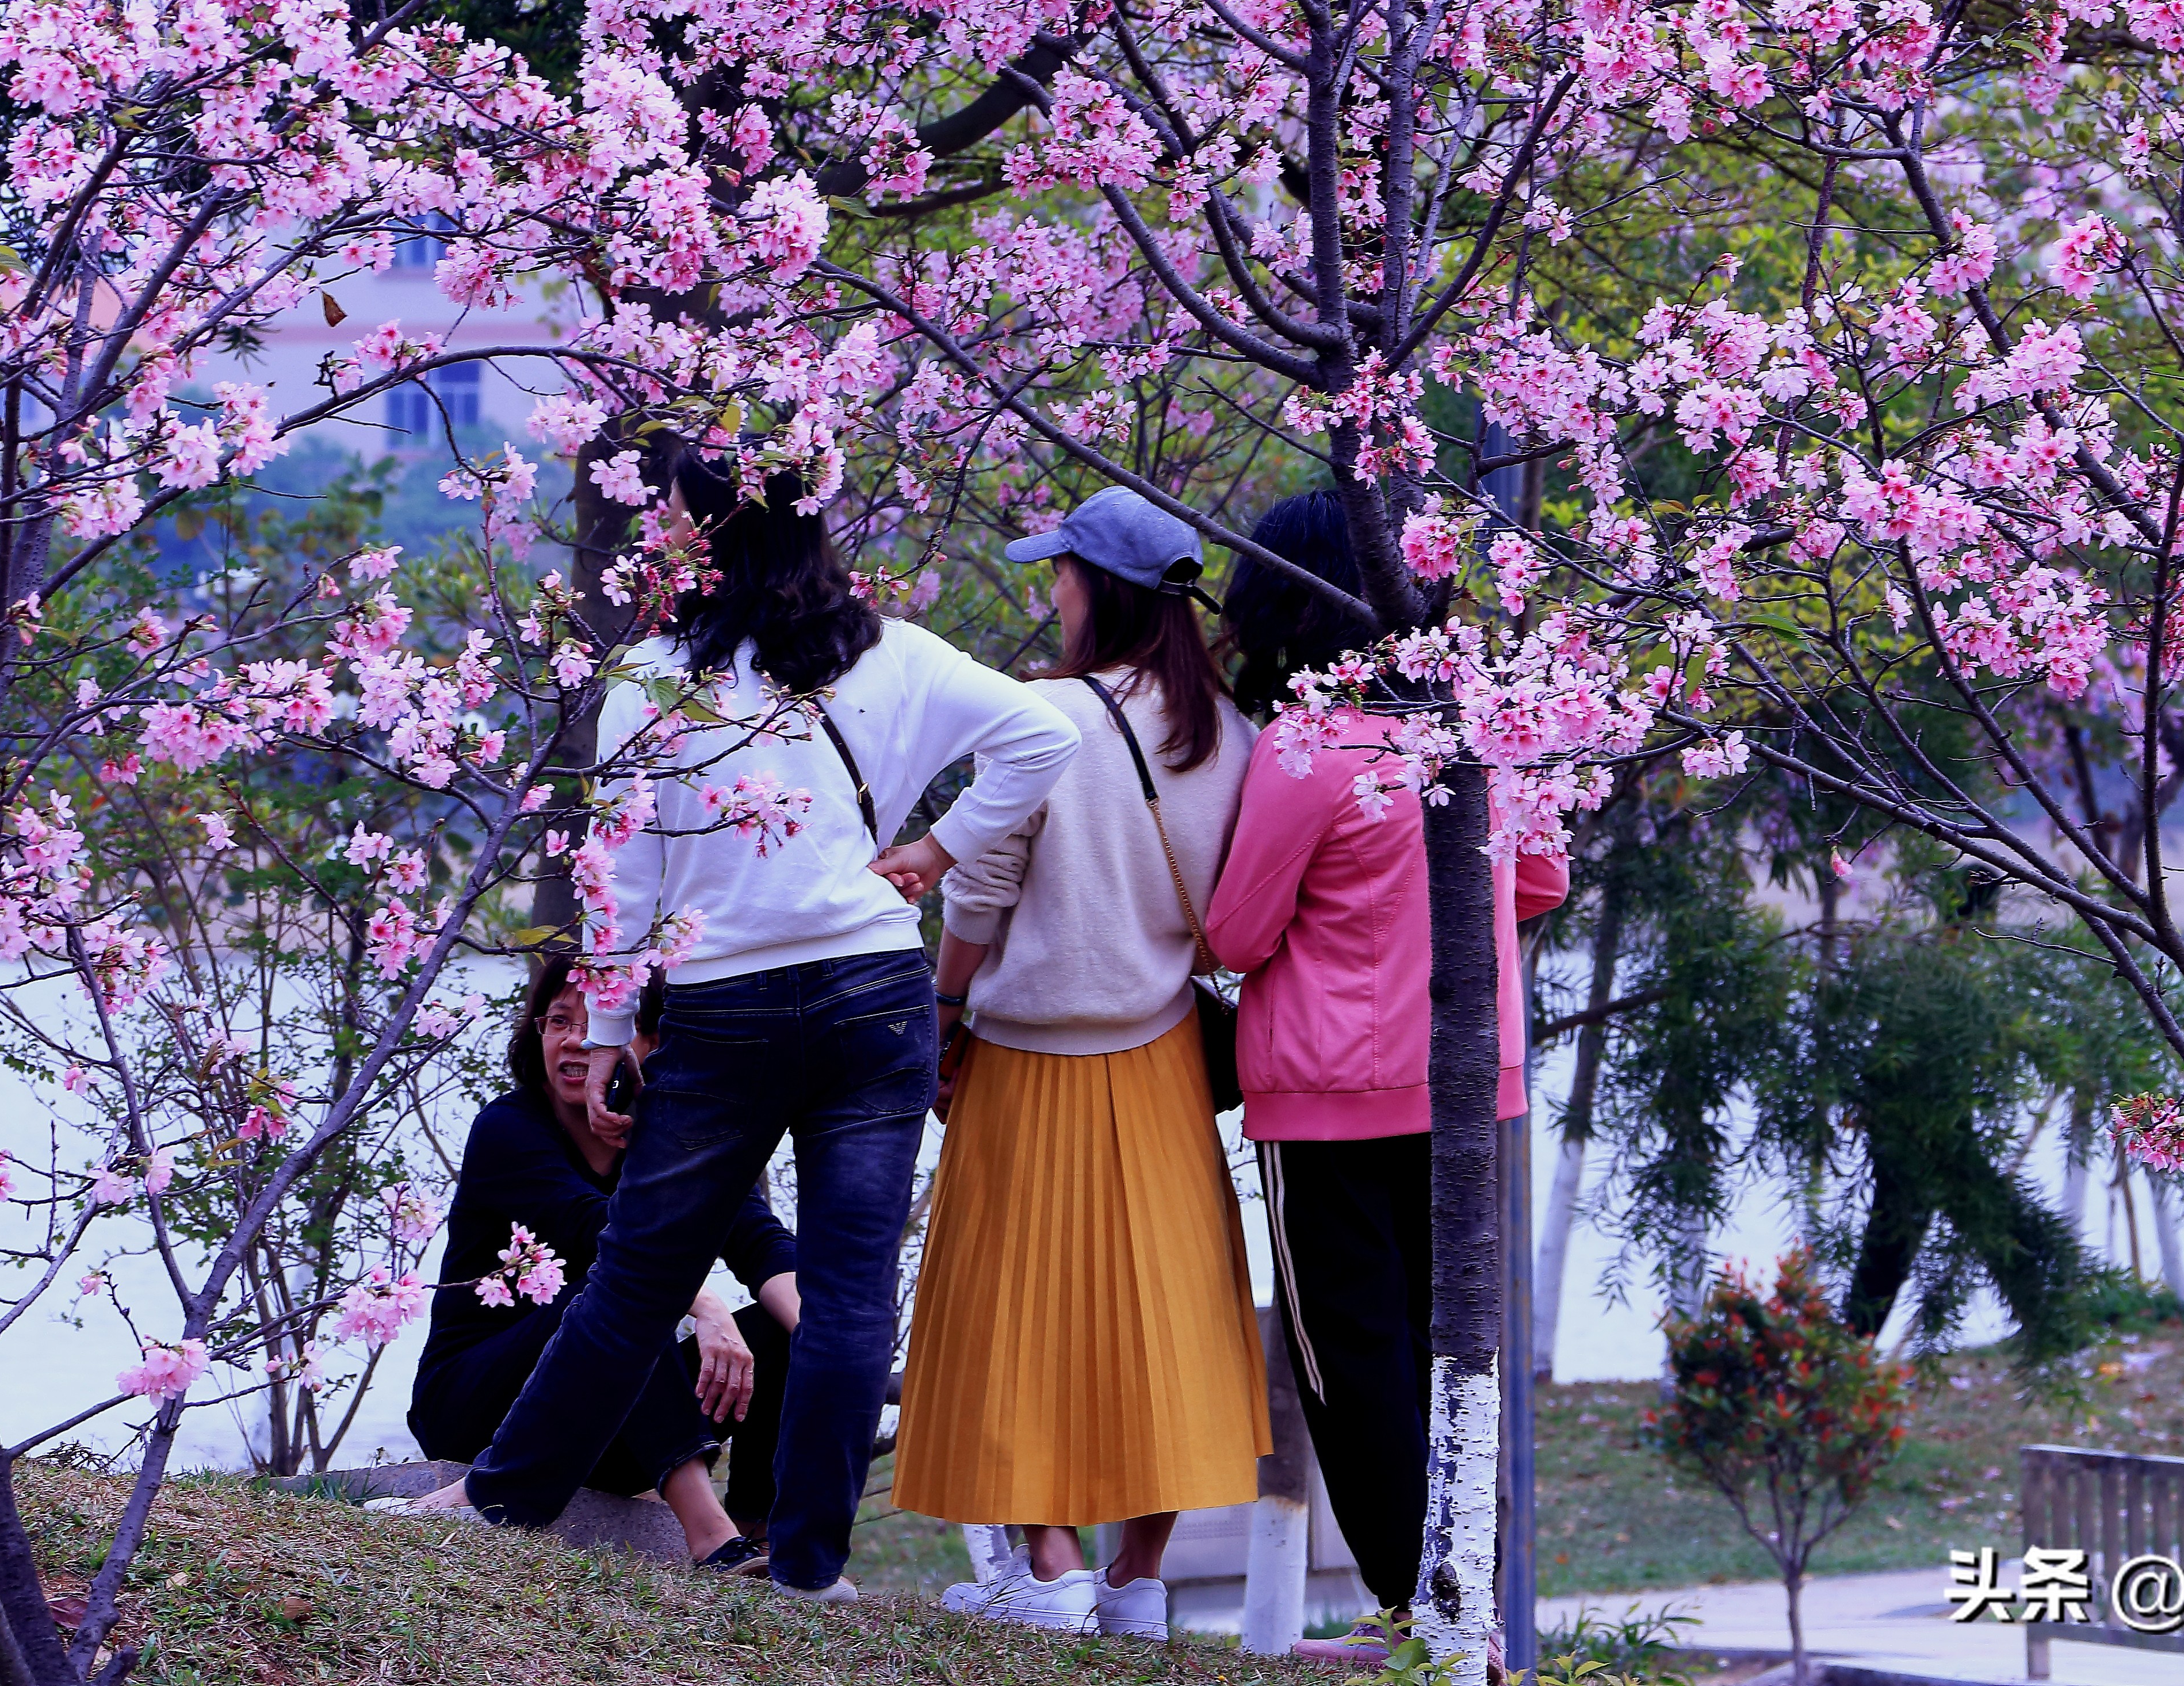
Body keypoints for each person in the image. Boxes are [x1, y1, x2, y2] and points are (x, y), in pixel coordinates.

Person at [394, 455, 1079, 1602]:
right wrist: (937, 849)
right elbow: (1045, 738)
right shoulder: (896, 654)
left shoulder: (656, 679)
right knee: (852, 1293)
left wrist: (611, 1021)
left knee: (636, 1278)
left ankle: (504, 1505)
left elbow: (621, 869)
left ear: (700, 541)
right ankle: (809, 1569)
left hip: (723, 1005)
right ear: (820, 532)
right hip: (873, 991)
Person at [894, 487, 1271, 1639]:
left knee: (1017, 1316)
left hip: (1023, 1057)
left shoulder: (1043, 718)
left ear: (1093, 586)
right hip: (1159, 1061)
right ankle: (1133, 1583)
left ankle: (1048, 1564)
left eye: (1058, 570)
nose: (1048, 588)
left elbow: (980, 890)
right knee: (1161, 1320)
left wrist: (944, 1011)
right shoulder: (1231, 732)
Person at [1203, 491, 1569, 1667]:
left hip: (1330, 1094)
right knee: (1448, 1346)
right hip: (1470, 1084)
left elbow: (1238, 934)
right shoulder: (1486, 726)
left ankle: (1412, 1611)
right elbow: (1541, 882)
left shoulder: (1311, 746)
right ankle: (1460, 1605)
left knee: (1350, 1355)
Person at [396, 960, 797, 1573]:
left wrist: (830, 1339)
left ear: (652, 1044)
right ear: (537, 1033)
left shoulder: (680, 1144)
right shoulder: (508, 1129)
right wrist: (707, 1306)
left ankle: (759, 1534)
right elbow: (601, 1231)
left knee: (788, 1327)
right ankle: (711, 1536)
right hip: (477, 1407)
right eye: (559, 1020)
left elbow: (763, 1244)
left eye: (603, 1022)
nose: (577, 1040)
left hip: (606, 1432)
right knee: (613, 1295)